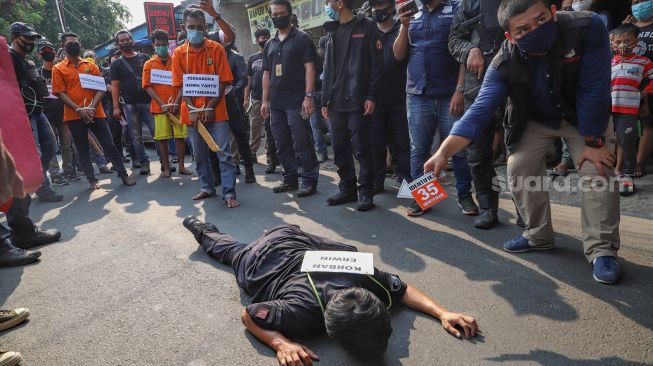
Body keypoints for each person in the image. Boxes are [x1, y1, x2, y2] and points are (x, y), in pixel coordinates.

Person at [425, 0, 622, 284]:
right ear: (510, 36)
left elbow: (595, 87)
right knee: (518, 167)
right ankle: (538, 234)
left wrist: (594, 140)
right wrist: (443, 152)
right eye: (523, 29)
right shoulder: (503, 62)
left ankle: (602, 249)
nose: (535, 30)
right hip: (535, 120)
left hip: (584, 118)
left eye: (541, 20)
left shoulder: (587, 27)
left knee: (598, 171)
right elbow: (478, 112)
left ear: (554, 12)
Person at [182, 216, 479, 365]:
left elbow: (401, 290)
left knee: (349, 250)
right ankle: (199, 229)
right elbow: (249, 315)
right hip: (257, 261)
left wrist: (443, 312)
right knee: (228, 251)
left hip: (286, 235)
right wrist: (281, 344)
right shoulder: (300, 313)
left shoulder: (365, 275)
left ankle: (201, 227)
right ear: (328, 330)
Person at [393, 0, 479, 218]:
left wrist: (460, 89)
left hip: (449, 93)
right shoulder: (411, 11)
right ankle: (422, 198)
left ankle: (464, 195)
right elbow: (398, 54)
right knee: (418, 149)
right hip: (416, 93)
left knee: (457, 148)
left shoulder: (457, 8)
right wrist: (404, 26)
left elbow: (462, 49)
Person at [172, 8, 239, 208]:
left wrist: (209, 107)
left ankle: (229, 192)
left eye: (199, 27)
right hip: (191, 114)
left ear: (206, 27)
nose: (195, 30)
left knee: (223, 153)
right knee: (199, 155)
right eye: (191, 27)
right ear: (184, 27)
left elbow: (223, 81)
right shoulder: (178, 53)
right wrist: (193, 109)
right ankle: (207, 187)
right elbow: (182, 86)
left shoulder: (216, 49)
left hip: (217, 112)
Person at [52, 32, 136, 190]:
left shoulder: (91, 66)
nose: (73, 45)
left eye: (76, 43)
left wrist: (90, 108)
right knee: (82, 148)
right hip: (74, 115)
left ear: (80, 45)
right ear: (63, 47)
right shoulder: (58, 69)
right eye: (70, 43)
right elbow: (60, 93)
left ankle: (123, 174)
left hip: (96, 112)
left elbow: (100, 89)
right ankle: (92, 180)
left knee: (109, 144)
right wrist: (79, 110)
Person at [448, 0, 506, 228]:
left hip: (519, 85)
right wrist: (469, 50)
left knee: (521, 153)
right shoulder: (469, 5)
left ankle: (527, 212)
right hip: (478, 85)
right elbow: (453, 40)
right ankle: (487, 207)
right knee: (477, 153)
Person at [321, 0, 382, 211]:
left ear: (339, 3)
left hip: (358, 99)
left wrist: (372, 96)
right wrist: (324, 99)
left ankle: (366, 191)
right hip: (336, 102)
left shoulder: (367, 26)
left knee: (362, 148)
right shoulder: (331, 30)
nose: (326, 6)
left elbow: (376, 64)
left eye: (328, 2)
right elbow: (328, 68)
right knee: (339, 148)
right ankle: (348, 188)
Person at [261, 0, 320, 197]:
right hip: (276, 104)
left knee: (302, 141)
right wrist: (264, 101)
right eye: (274, 14)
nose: (278, 17)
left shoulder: (302, 38)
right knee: (281, 143)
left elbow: (310, 68)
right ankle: (290, 178)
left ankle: (309, 180)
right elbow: (266, 74)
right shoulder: (270, 43)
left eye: (281, 13)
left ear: (289, 13)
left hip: (297, 101)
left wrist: (309, 96)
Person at [8, 22, 64, 203]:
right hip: (22, 115)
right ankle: (40, 188)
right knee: (35, 153)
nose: (31, 41)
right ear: (15, 37)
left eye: (33, 38)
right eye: (27, 37)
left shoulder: (28, 61)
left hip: (39, 112)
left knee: (51, 147)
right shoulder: (8, 59)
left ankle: (36, 181)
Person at [369, 0, 411, 194]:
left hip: (400, 97)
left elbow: (400, 57)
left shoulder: (402, 28)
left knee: (402, 142)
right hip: (374, 99)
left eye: (382, 6)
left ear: (391, 8)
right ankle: (377, 181)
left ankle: (406, 181)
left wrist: (404, 26)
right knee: (376, 143)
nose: (378, 10)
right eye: (375, 7)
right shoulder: (369, 33)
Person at [610, 23, 653, 196]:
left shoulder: (644, 62)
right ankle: (617, 170)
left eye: (627, 40)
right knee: (616, 140)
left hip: (629, 110)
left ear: (636, 41)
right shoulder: (610, 62)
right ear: (612, 43)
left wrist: (645, 95)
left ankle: (627, 175)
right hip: (609, 109)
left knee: (627, 141)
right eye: (618, 41)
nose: (622, 45)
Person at [142, 29, 192, 178]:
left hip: (178, 106)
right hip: (159, 109)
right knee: (162, 139)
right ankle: (166, 168)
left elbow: (184, 82)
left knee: (180, 137)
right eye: (158, 44)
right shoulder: (148, 64)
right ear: (153, 45)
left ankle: (182, 166)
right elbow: (147, 86)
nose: (161, 47)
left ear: (168, 44)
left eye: (164, 44)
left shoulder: (177, 60)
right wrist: (162, 103)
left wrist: (177, 102)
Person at [110, 29, 159, 175]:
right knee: (136, 137)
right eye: (122, 40)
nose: (125, 42)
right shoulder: (116, 64)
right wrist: (116, 108)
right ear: (118, 44)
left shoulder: (145, 58)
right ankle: (144, 163)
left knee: (157, 133)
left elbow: (155, 79)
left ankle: (164, 163)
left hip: (148, 102)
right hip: (129, 105)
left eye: (127, 39)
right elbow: (115, 86)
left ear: (132, 40)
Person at [38, 40, 80, 185]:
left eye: (49, 50)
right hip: (46, 115)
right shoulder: (37, 73)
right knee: (51, 146)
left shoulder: (60, 70)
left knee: (67, 145)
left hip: (64, 112)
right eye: (44, 51)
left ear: (55, 53)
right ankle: (55, 174)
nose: (47, 53)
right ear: (39, 55)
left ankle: (69, 171)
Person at [245, 28, 280, 174]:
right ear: (256, 39)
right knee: (255, 126)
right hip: (256, 98)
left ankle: (270, 156)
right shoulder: (252, 58)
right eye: (261, 37)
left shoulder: (274, 55)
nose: (264, 39)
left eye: (266, 36)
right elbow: (248, 79)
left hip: (273, 99)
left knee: (270, 128)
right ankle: (252, 153)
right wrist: (246, 97)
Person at [625, 0, 653, 178]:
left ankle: (639, 162)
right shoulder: (629, 24)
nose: (639, 4)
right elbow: (614, 45)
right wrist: (623, 27)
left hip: (650, 82)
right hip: (628, 81)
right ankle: (625, 160)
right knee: (625, 123)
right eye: (636, 1)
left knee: (649, 123)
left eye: (644, 0)